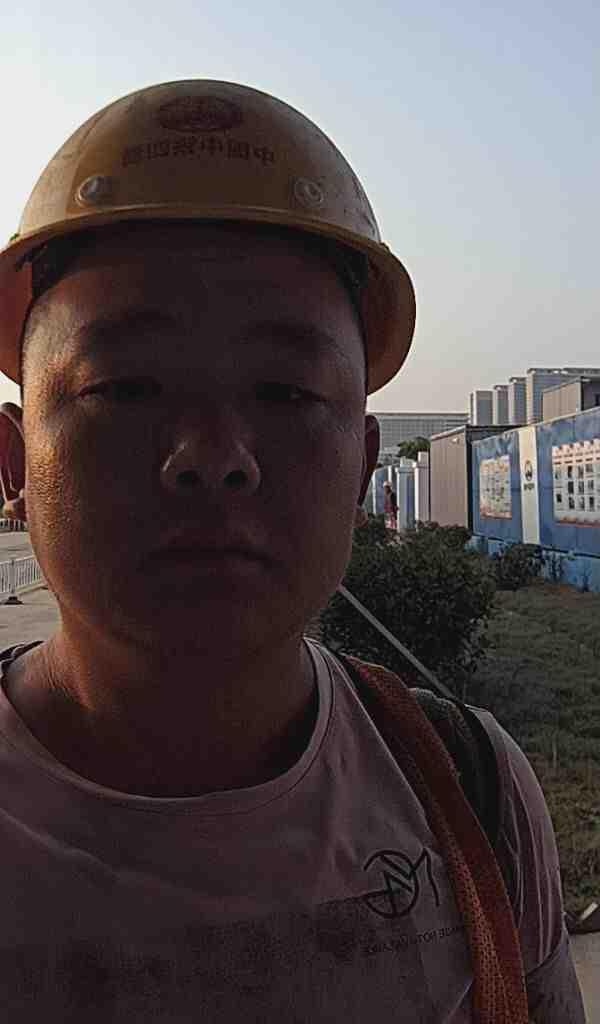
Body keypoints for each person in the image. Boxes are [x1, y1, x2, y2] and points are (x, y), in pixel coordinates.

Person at [0, 80, 584, 1022]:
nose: (214, 456)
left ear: (362, 465)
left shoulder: (471, 793)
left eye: (286, 392)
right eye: (124, 387)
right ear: (14, 462)